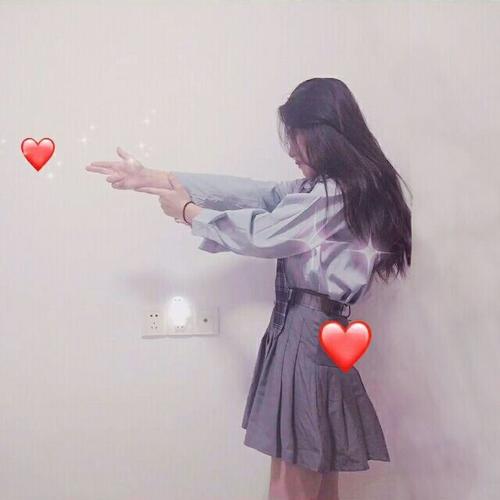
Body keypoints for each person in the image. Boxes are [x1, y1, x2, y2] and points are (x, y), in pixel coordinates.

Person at [85, 77, 412, 500]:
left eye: (297, 137)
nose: (292, 151)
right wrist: (155, 177)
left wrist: (189, 212)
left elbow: (266, 233)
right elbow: (257, 194)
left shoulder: (330, 195)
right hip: (313, 335)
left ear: (322, 134)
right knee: (316, 475)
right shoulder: (334, 190)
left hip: (305, 338)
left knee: (292, 481)